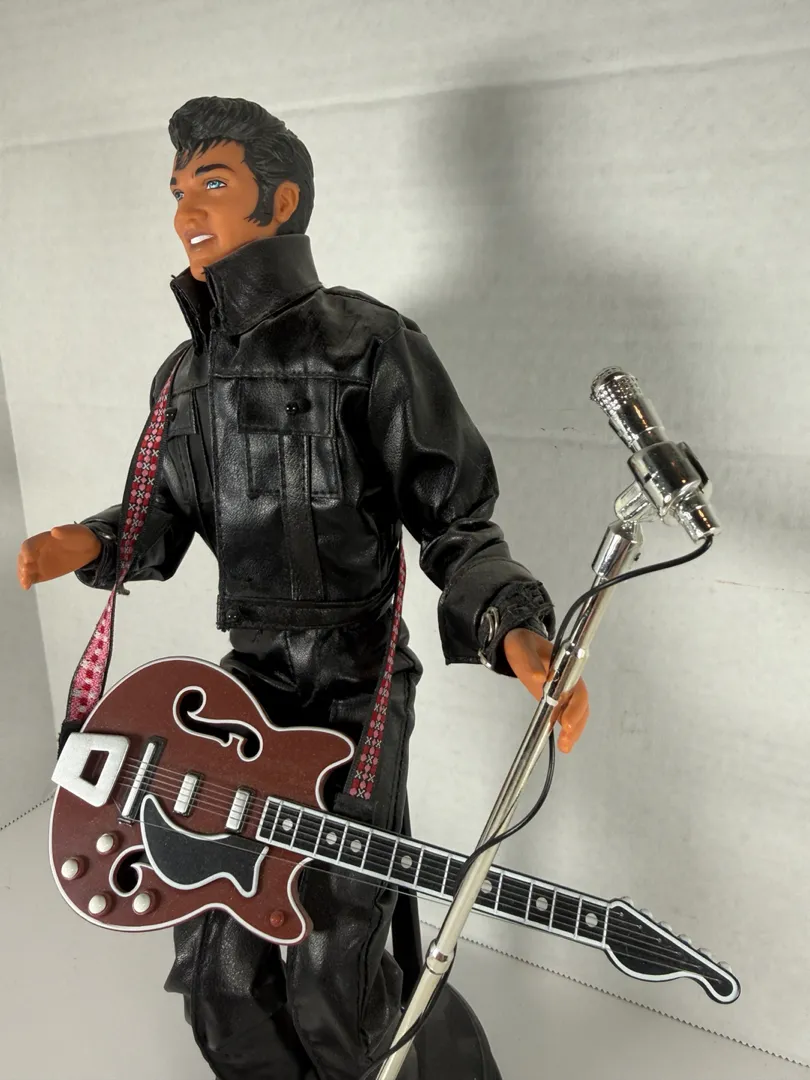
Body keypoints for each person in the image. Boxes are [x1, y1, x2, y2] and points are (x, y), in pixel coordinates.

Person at [17, 96, 589, 1080]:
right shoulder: (183, 378)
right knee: (219, 973)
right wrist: (89, 540)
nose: (186, 210)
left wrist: (512, 627)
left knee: (337, 962)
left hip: (357, 686)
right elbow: (162, 515)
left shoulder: (369, 344)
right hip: (238, 698)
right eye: (177, 190)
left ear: (280, 202)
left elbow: (457, 518)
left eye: (213, 184)